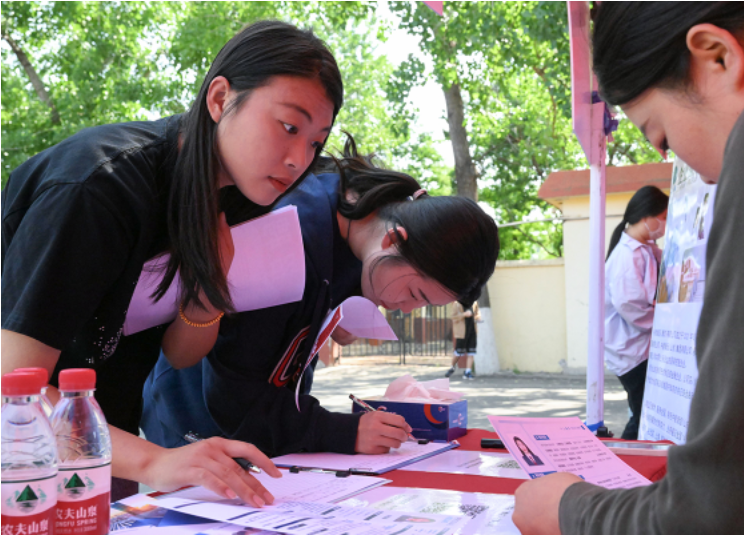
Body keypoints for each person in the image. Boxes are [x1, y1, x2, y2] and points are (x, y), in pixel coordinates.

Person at [1, 20, 344, 506]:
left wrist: (208, 294)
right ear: (220, 98)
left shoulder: (240, 197)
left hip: (102, 446)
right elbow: (15, 388)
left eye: (315, 142)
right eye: (289, 126)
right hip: (20, 454)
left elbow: (181, 354)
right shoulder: (98, 190)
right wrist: (156, 461)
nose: (298, 160)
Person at [512, 3, 744, 534]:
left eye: (663, 137)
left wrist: (569, 511)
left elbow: (728, 509)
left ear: (716, 56)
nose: (702, 179)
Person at [140, 135, 500, 457]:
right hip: (197, 421)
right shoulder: (286, 237)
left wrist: (331, 317)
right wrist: (341, 431)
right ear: (395, 240)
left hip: (268, 422)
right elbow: (235, 400)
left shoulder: (361, 224)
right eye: (414, 294)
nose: (406, 309)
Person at [604, 186, 668, 439]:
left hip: (636, 349)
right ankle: (621, 467)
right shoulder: (627, 256)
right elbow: (631, 306)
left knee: (642, 414)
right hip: (631, 352)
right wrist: (665, 323)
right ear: (646, 216)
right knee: (643, 416)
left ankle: (624, 464)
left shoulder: (644, 249)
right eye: (663, 218)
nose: (664, 225)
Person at [445, 300, 481, 379]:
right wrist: (464, 314)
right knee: (458, 352)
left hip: (472, 332)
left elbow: (477, 314)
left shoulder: (474, 303)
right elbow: (453, 317)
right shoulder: (457, 304)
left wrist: (478, 318)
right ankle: (452, 367)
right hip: (461, 333)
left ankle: (467, 372)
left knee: (471, 352)